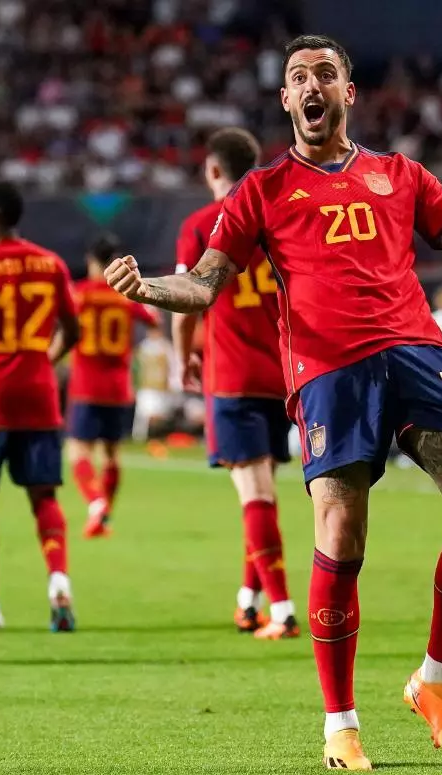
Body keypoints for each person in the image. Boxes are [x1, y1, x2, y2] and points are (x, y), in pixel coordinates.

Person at [103, 34, 442, 771]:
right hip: (328, 371)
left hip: (416, 352)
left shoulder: (401, 175)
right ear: (285, 99)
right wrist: (149, 288)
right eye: (298, 77)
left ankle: (437, 682)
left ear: (348, 92)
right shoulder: (262, 191)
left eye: (325, 75)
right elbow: (206, 283)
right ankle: (340, 722)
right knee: (342, 538)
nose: (312, 86)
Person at [171, 127, 299, 640]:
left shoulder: (201, 225)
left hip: (233, 374)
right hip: (284, 372)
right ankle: (249, 599)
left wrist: (184, 357)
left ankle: (285, 610)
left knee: (255, 494)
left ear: (213, 171)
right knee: (260, 488)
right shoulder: (279, 216)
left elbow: (186, 296)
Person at [0, 179, 80, 632]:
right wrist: (44, 360)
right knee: (44, 497)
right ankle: (58, 581)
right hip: (40, 396)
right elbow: (74, 330)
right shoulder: (52, 263)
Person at [66, 233, 160, 538]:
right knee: (111, 455)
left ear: (92, 262)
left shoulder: (78, 293)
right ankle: (104, 519)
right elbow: (153, 320)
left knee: (78, 452)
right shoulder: (125, 295)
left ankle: (95, 504)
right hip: (118, 387)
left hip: (86, 385)